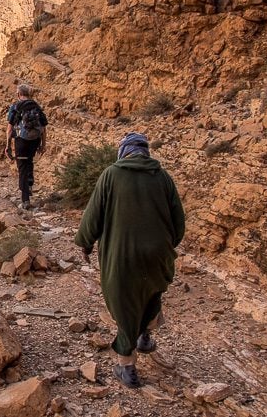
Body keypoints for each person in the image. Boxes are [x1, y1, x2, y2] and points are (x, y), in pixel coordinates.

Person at [74, 132, 185, 389]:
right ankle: (145, 335)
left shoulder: (112, 174)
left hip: (122, 256)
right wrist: (164, 247)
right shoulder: (163, 177)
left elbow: (93, 215)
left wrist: (85, 243)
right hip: (157, 253)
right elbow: (178, 222)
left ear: (123, 151)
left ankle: (127, 367)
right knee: (151, 291)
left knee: (123, 305)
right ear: (146, 152)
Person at [4, 84, 48, 210]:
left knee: (22, 167)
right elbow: (44, 129)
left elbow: (9, 129)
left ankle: (25, 201)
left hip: (21, 141)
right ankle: (29, 182)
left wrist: (8, 146)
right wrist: (43, 145)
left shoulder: (15, 106)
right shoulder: (36, 106)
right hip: (35, 140)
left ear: (18, 94)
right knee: (29, 161)